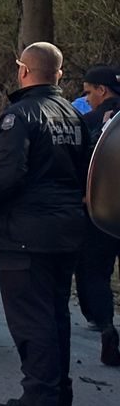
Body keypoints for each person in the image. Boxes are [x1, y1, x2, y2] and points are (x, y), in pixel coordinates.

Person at [0, 42, 91, 406]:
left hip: (25, 232)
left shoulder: (20, 116)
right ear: (58, 73)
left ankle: (40, 395)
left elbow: (8, 174)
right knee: (56, 312)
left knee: (31, 317)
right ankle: (60, 394)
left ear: (24, 70)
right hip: (68, 228)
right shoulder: (73, 116)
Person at [75, 65, 120, 366]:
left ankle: (105, 325)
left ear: (103, 91)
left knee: (93, 271)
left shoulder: (90, 122)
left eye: (89, 92)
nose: (86, 98)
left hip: (100, 212)